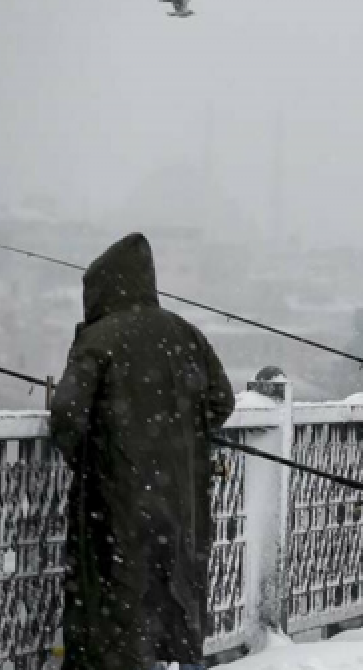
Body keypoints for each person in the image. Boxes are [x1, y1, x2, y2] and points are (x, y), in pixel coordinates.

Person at [50, 233, 235, 670]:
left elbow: (66, 414)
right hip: (180, 501)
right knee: (176, 599)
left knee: (119, 606)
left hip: (117, 504)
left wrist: (94, 456)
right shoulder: (186, 333)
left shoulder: (98, 338)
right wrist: (178, 434)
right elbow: (221, 401)